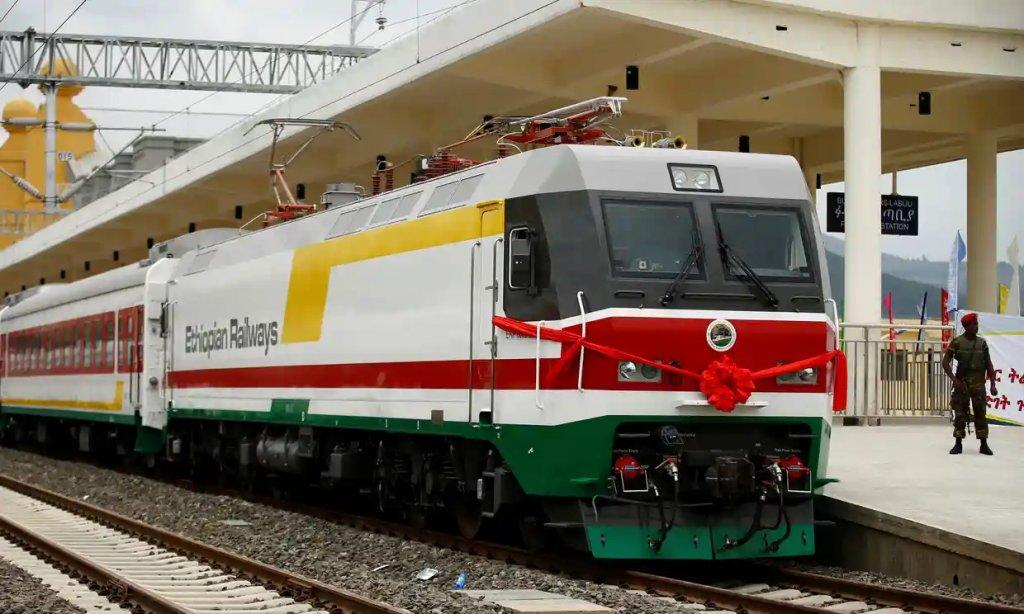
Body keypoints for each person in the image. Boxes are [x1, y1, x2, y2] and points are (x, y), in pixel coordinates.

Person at [941, 312, 997, 455]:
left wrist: (992, 384)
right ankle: (958, 443)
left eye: (977, 324)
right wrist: (954, 379)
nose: (976, 327)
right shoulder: (957, 342)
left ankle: (983, 444)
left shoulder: (982, 343)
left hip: (978, 385)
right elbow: (945, 362)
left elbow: (989, 364)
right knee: (960, 414)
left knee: (980, 414)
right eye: (974, 324)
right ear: (967, 326)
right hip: (962, 385)